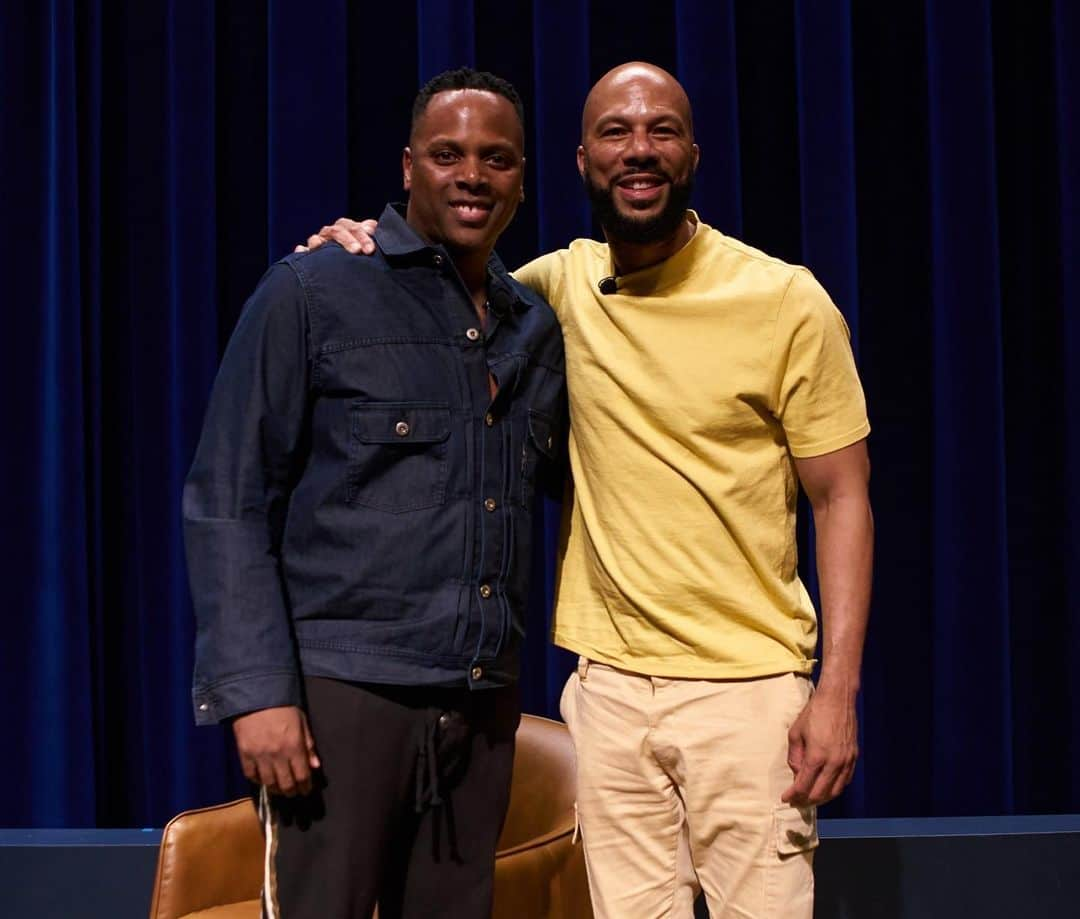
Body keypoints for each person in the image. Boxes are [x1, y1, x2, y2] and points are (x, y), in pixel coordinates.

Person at [307, 61, 873, 919]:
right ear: (579, 160)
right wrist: (350, 246)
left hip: (750, 691)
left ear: (692, 153)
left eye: (660, 131)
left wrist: (835, 693)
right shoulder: (551, 292)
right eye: (616, 132)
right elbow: (425, 291)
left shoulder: (785, 300)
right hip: (607, 692)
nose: (638, 150)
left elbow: (842, 500)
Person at [183, 67, 565, 919]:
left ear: (523, 178)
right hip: (341, 702)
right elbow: (227, 499)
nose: (473, 174)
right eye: (447, 153)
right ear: (407, 166)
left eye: (497, 158)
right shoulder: (312, 291)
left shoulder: (532, 326)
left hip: (480, 703)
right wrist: (259, 693)